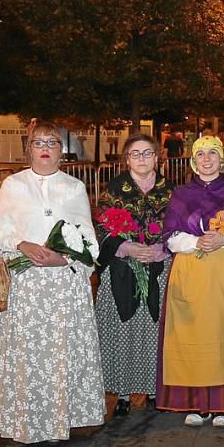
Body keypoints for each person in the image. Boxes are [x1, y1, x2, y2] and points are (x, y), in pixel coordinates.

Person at [0, 120, 104, 443]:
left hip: (60, 286)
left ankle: (58, 421)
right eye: (39, 143)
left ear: (62, 151)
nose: (46, 148)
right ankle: (26, 422)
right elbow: (1, 232)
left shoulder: (74, 187)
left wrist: (64, 259)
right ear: (29, 149)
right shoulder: (13, 185)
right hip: (26, 287)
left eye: (52, 142)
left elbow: (87, 237)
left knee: (57, 354)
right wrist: (23, 244)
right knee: (28, 356)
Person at [158, 136, 224, 428]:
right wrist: (198, 241)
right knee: (191, 336)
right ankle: (197, 403)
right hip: (191, 271)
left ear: (222, 158)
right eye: (200, 155)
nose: (206, 159)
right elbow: (170, 236)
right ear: (192, 161)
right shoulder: (181, 194)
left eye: (212, 153)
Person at [94, 134, 173, 418]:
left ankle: (154, 391)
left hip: (158, 268)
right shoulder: (114, 189)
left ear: (157, 157)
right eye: (135, 154)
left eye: (147, 153)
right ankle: (123, 392)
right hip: (122, 269)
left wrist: (163, 249)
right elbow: (101, 228)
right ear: (126, 159)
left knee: (154, 332)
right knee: (121, 331)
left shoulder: (170, 190)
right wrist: (126, 247)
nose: (141, 159)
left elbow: (179, 227)